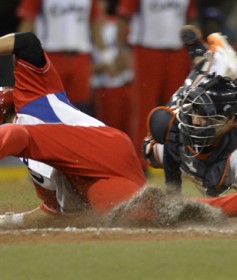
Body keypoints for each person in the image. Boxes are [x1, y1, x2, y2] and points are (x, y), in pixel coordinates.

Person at [0, 31, 146, 228]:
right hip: (97, 175)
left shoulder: (30, 94)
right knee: (136, 213)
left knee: (18, 135)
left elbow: (27, 42)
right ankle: (199, 207)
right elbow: (55, 212)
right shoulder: (33, 166)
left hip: (102, 145)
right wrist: (7, 221)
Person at [142, 25, 237, 217]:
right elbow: (151, 148)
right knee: (194, 94)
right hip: (192, 98)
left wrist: (200, 206)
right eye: (196, 112)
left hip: (220, 157)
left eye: (207, 118)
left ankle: (211, 57)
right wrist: (173, 196)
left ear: (229, 122)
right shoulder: (180, 124)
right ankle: (204, 60)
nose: (196, 121)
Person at [115, 0, 198, 170]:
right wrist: (120, 49)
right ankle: (139, 161)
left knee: (179, 108)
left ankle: (176, 160)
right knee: (143, 108)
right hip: (147, 50)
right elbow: (123, 17)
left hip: (177, 53)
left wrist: (195, 50)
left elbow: (190, 20)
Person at [16, 0, 107, 112]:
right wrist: (20, 55)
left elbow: (95, 24)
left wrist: (105, 55)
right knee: (50, 104)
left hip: (80, 56)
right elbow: (27, 24)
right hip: (51, 56)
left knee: (80, 107)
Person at [91, 0, 134, 137]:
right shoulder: (87, 28)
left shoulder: (120, 23)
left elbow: (132, 51)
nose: (100, 7)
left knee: (130, 132)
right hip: (102, 87)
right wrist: (104, 65)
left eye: (102, 3)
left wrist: (123, 63)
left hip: (125, 84)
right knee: (106, 133)